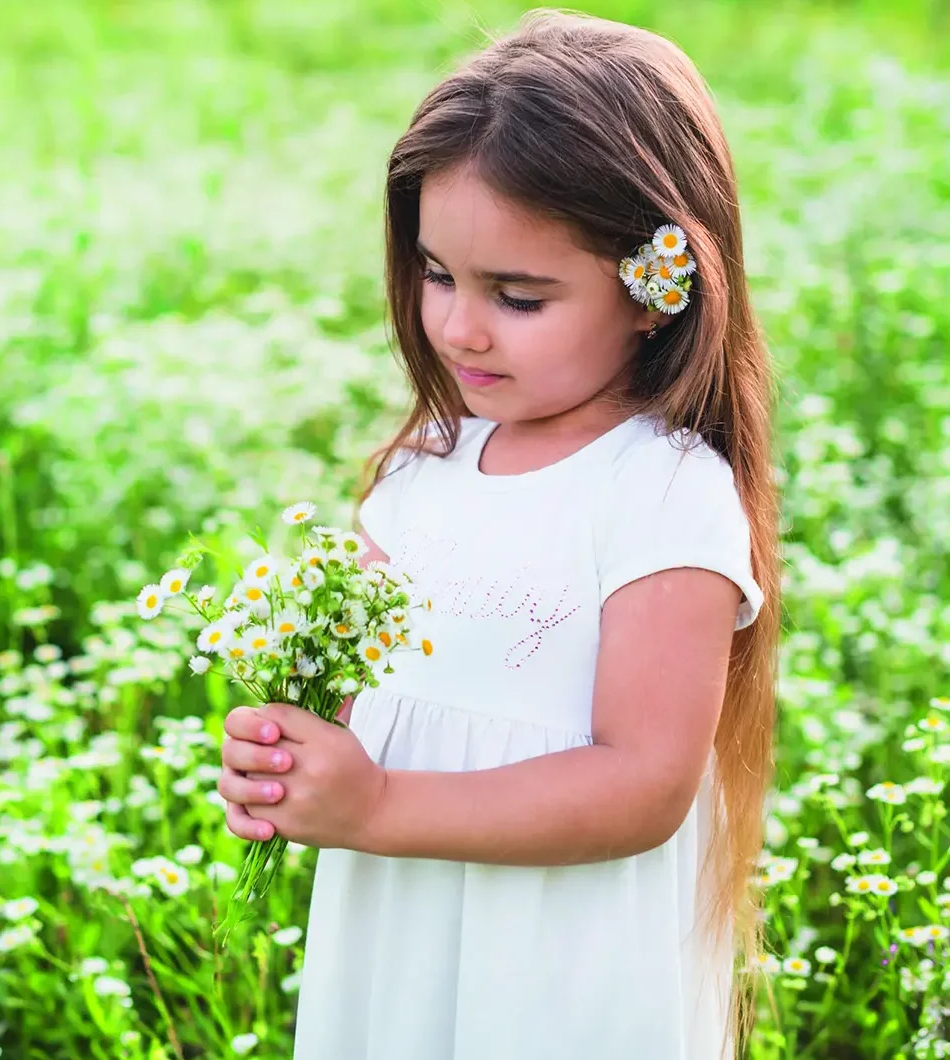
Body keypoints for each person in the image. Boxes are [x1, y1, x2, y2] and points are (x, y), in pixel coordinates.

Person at [216, 10, 782, 1059]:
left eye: (519, 297)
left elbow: (644, 784)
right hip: (404, 926)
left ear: (657, 291)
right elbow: (367, 697)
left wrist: (378, 803)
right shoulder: (426, 469)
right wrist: (292, 753)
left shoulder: (660, 494)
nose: (459, 327)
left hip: (564, 967)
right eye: (437, 275)